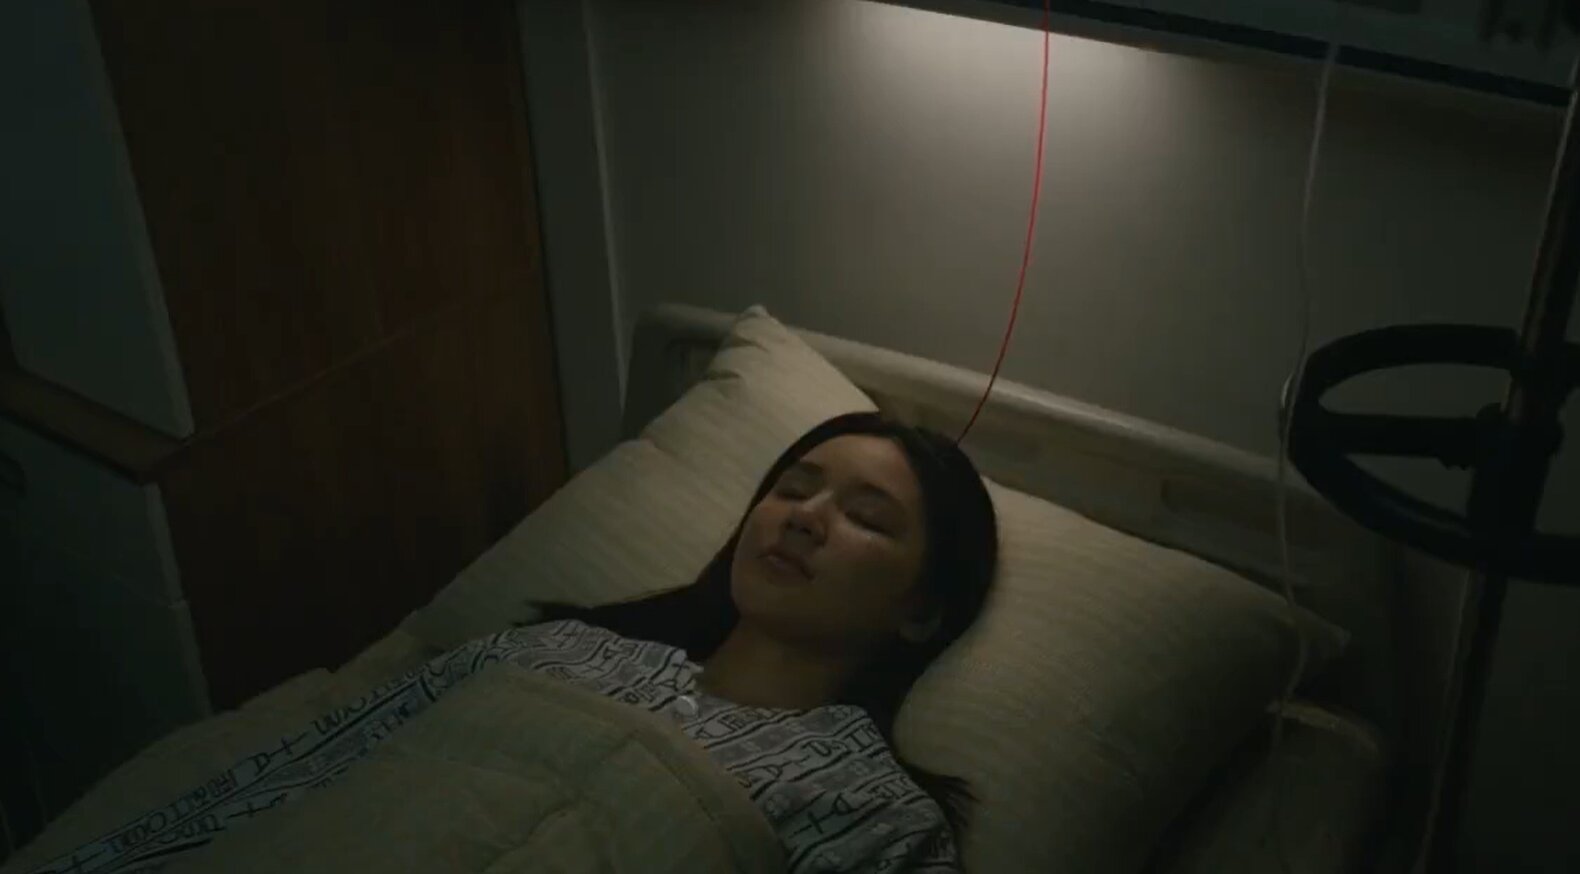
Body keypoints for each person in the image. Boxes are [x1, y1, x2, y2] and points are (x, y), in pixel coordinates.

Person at [28, 412, 998, 874]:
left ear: (920, 611)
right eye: (790, 487)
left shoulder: (871, 814)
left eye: (866, 517)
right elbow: (307, 774)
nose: (804, 516)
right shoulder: (552, 654)